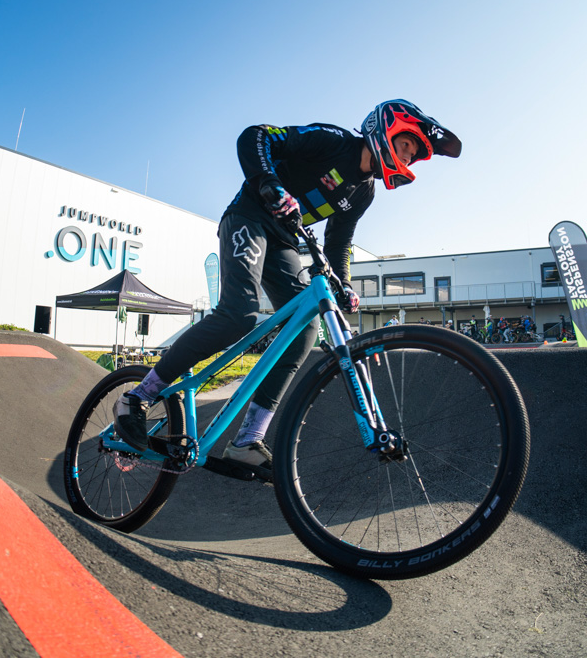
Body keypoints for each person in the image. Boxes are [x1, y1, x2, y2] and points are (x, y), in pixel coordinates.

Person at [113, 100, 461, 469]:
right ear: (385, 129)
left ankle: (248, 440)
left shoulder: (365, 192)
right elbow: (256, 136)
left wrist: (342, 282)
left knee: (305, 331)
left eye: (413, 153)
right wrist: (269, 185)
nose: (406, 155)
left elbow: (339, 241)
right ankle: (138, 397)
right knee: (239, 315)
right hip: (249, 215)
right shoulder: (333, 140)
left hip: (284, 242)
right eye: (405, 143)